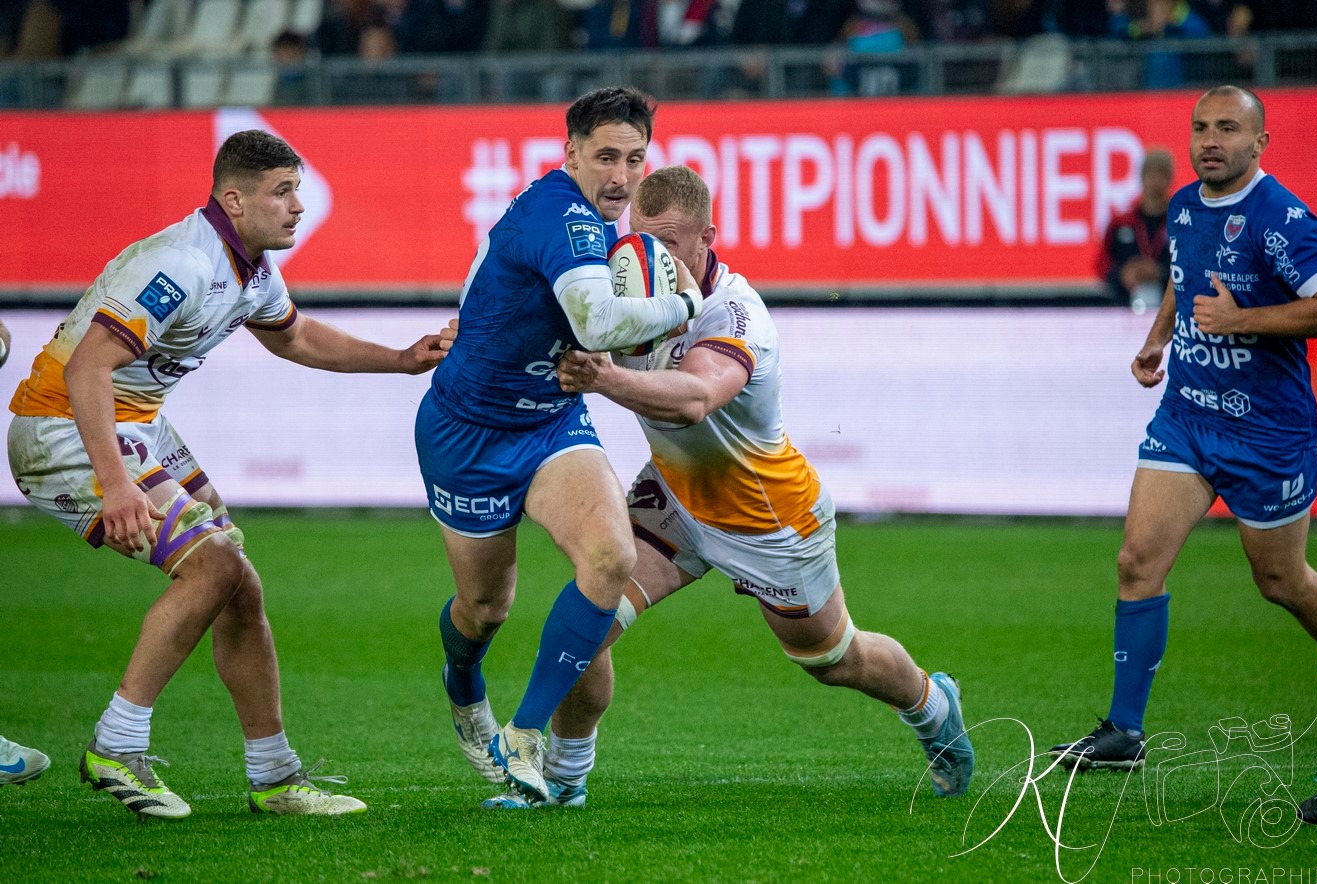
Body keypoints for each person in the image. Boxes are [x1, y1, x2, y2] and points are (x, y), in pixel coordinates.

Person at [479, 164, 975, 809]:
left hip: (768, 518)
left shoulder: (736, 313)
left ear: (709, 236)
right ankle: (564, 780)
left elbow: (694, 399)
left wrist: (603, 378)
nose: (647, 256)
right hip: (677, 499)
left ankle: (934, 709)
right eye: (637, 238)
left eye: (670, 243)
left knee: (832, 660)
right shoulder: (620, 285)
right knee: (590, 620)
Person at [7, 129, 450, 819]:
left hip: (136, 423)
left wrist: (399, 358)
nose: (298, 206)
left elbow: (296, 337)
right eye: (282, 192)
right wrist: (117, 485)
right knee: (211, 566)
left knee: (238, 579)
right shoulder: (182, 263)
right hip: (65, 422)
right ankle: (117, 745)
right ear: (235, 199)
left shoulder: (249, 266)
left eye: (298, 189)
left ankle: (274, 777)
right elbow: (87, 366)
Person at [1047, 86, 1317, 828]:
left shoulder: (1283, 220)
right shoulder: (1179, 206)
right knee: (1138, 560)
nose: (1211, 140)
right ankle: (1125, 732)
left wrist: (1246, 319)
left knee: (1282, 582)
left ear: (1260, 143)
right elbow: (1183, 276)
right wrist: (1159, 338)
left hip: (1269, 435)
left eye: (1228, 129)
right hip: (1189, 417)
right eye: (1202, 127)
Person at [415, 87, 704, 806]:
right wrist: (685, 305)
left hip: (549, 422)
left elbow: (495, 283)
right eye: (605, 156)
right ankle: (462, 685)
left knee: (612, 556)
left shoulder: (599, 224)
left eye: (635, 159)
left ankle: (524, 733)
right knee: (484, 609)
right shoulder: (564, 213)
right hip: (469, 432)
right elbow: (597, 318)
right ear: (569, 152)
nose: (622, 176)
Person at [1097, 148, 1174, 310]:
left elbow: (1195, 268)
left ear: (1170, 179)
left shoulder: (1181, 222)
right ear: (1141, 177)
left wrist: (1160, 273)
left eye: (1161, 174)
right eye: (1150, 174)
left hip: (1172, 310)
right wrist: (1123, 275)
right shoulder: (1121, 223)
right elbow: (1102, 265)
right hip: (1125, 308)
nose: (1155, 181)